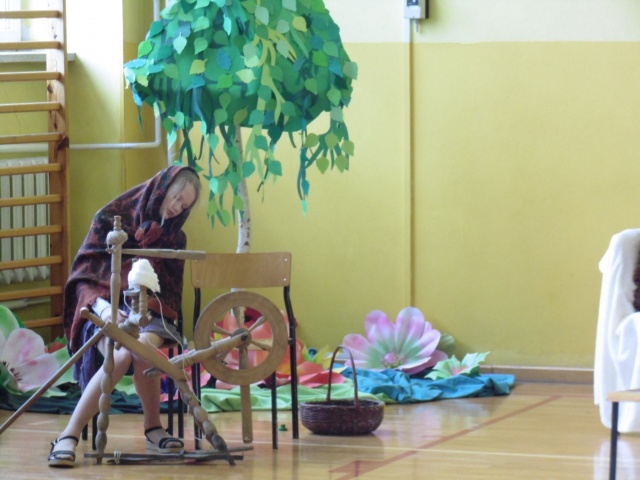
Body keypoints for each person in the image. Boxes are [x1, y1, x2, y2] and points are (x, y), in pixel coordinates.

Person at [48, 165, 201, 468]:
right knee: (120, 356)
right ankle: (68, 435)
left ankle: (153, 428)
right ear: (161, 188)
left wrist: (142, 309)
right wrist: (107, 310)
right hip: (102, 310)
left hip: (151, 316)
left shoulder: (175, 238)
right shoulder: (109, 218)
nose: (176, 208)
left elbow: (170, 294)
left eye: (184, 206)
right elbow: (83, 279)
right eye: (175, 198)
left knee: (140, 348)